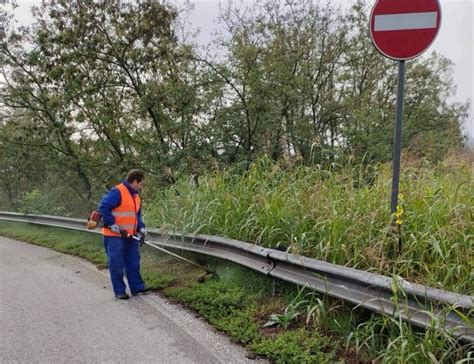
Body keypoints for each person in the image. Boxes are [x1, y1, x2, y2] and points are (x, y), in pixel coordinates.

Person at [99, 169, 151, 299]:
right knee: (116, 263)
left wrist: (141, 227)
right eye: (141, 184)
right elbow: (104, 207)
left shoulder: (135, 195)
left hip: (130, 235)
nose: (141, 187)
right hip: (114, 236)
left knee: (133, 261)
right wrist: (112, 224)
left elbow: (136, 214)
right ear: (135, 181)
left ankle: (137, 287)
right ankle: (120, 291)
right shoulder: (118, 191)